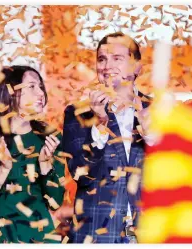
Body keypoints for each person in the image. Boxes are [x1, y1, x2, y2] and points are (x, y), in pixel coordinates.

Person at [62, 32, 155, 243]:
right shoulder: (78, 113)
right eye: (102, 59)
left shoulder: (158, 111)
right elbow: (80, 174)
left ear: (137, 67)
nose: (106, 66)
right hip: (98, 234)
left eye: (117, 58)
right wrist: (101, 123)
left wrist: (151, 136)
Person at [0, 65, 65, 243]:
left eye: (41, 86)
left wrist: (45, 166)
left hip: (39, 236)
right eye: (32, 87)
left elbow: (55, 203)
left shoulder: (51, 137)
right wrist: (3, 170)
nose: (41, 93)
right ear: (11, 91)